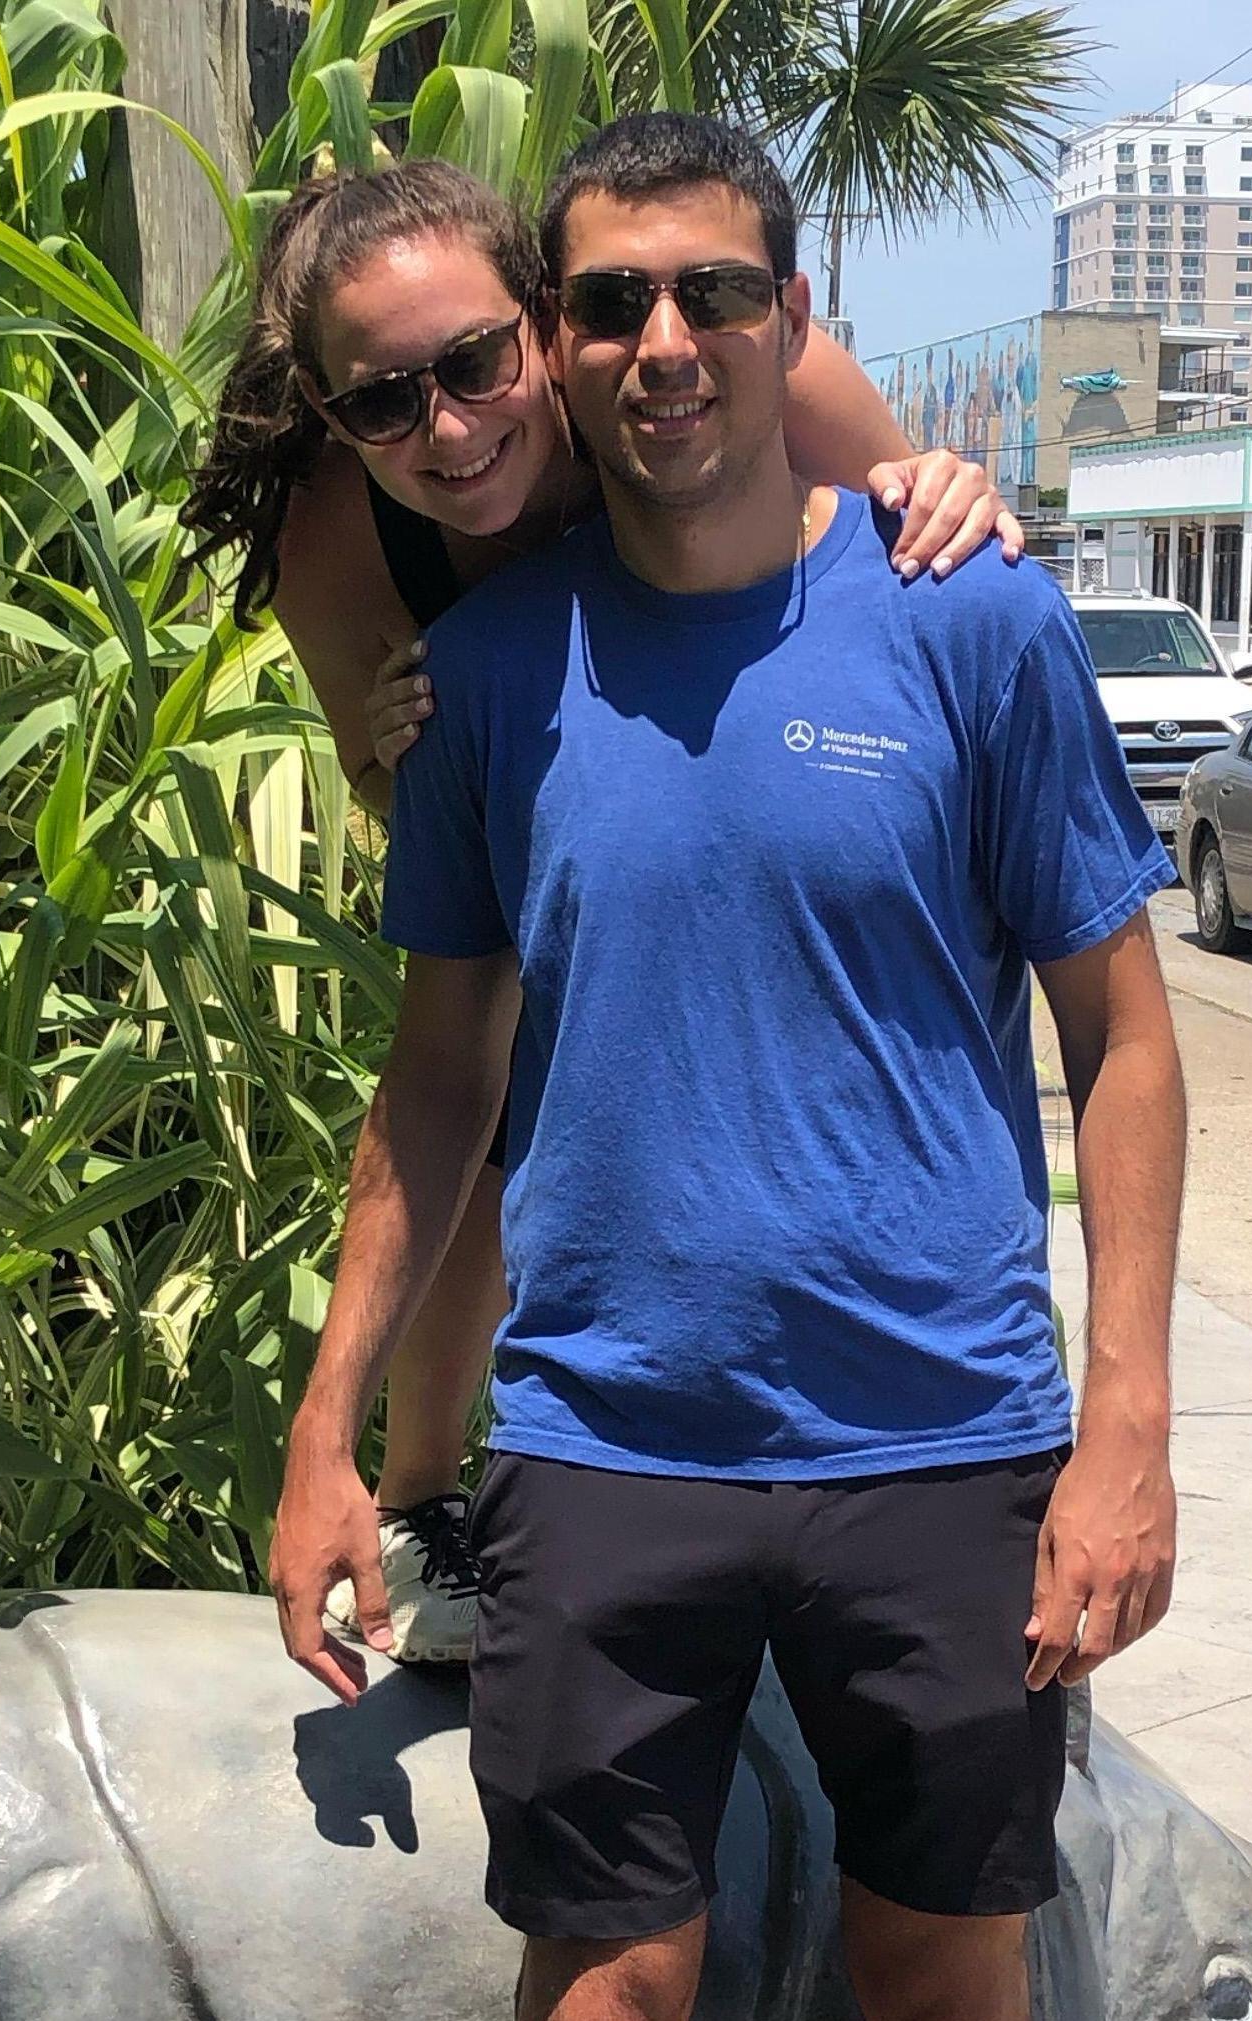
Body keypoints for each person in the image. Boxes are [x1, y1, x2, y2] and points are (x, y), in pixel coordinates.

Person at [268, 112, 1184, 2021]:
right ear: (557, 347)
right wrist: (332, 1422)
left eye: (707, 296)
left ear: (788, 313)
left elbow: (1125, 1036)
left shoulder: (961, 607)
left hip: (940, 1441)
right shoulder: (487, 669)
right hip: (609, 1444)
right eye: (605, 308)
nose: (653, 347)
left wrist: (1123, 1425)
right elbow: (440, 1075)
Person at [186, 161, 1021, 1664]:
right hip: (554, 787)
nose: (449, 429)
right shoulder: (334, 532)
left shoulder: (700, 355)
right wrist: (407, 746)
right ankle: (425, 1491)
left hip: (760, 748)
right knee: (491, 1078)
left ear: (541, 321)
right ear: (329, 415)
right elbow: (405, 812)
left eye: (476, 365)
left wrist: (953, 481)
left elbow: (911, 561)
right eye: (383, 404)